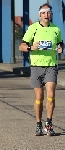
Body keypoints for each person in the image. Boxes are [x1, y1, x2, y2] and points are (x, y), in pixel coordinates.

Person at [19, 3, 64, 136]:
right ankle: (38, 124)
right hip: (36, 66)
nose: (46, 15)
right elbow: (21, 46)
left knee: (51, 95)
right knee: (39, 96)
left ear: (51, 14)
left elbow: (60, 43)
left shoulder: (56, 29)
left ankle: (48, 124)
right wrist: (31, 48)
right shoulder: (33, 28)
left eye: (48, 12)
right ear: (40, 15)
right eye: (43, 13)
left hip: (51, 65)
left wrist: (61, 48)